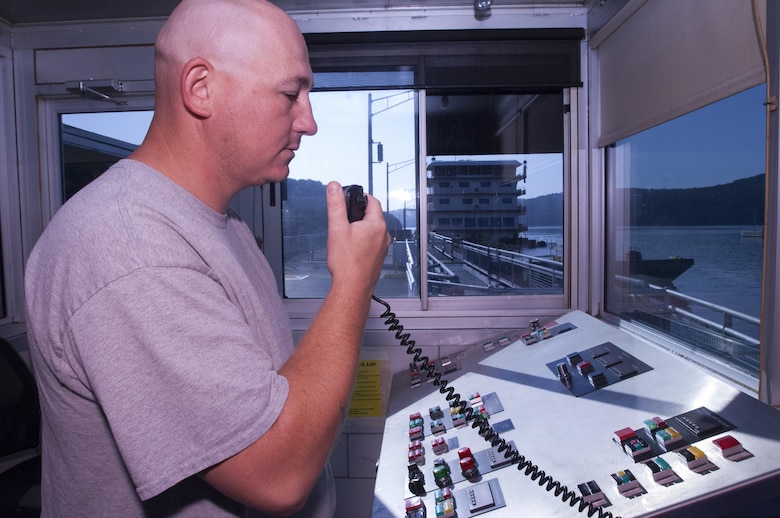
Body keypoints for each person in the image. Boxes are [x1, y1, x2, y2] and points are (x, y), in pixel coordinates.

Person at [23, 0, 390, 516]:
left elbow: (268, 397)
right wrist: (353, 283)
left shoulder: (223, 225)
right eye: (290, 94)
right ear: (201, 89)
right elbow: (278, 475)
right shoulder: (129, 247)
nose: (308, 122)